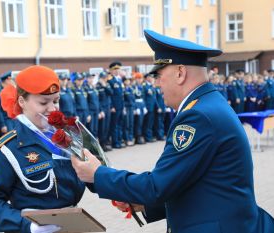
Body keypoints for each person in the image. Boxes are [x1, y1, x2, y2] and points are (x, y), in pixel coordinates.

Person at [70, 29, 274, 233]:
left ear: (180, 73)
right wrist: (144, 204)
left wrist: (98, 174)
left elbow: (157, 186)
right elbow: (195, 181)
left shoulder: (197, 116)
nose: (157, 84)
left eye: (159, 75)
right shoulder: (208, 103)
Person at [0, 65, 86, 233]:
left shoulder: (68, 136)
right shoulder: (7, 149)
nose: (52, 109)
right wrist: (27, 226)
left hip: (71, 226)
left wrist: (119, 192)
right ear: (22, 102)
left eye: (56, 101)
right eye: (43, 102)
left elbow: (90, 175)